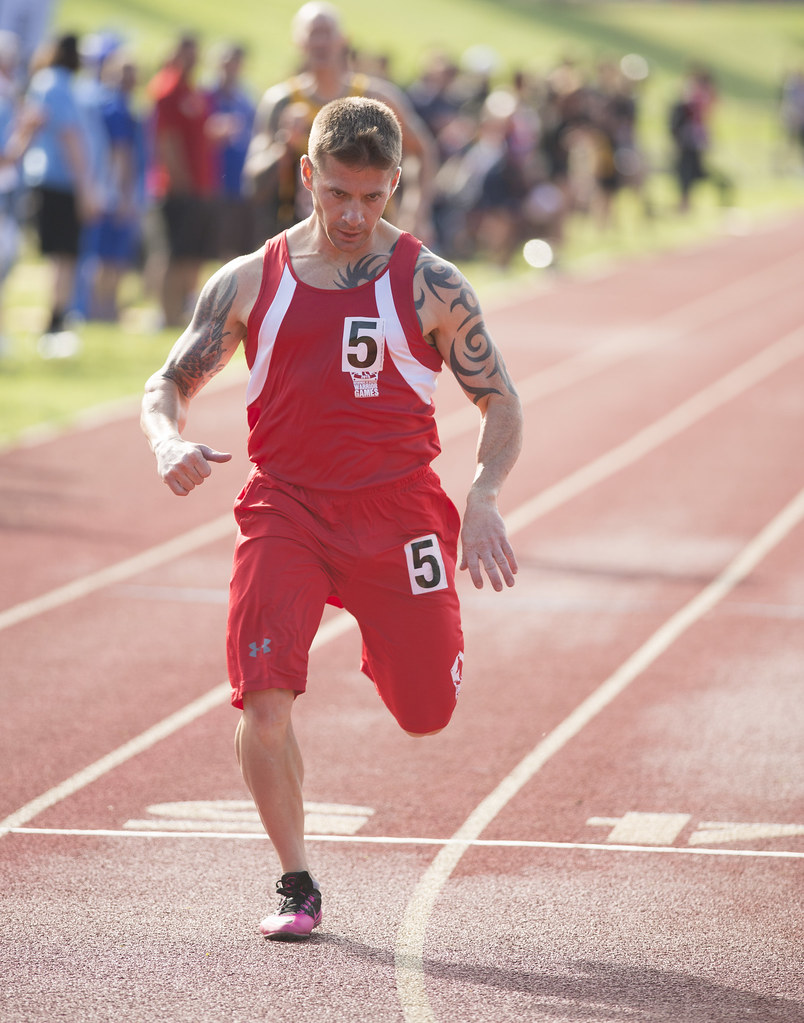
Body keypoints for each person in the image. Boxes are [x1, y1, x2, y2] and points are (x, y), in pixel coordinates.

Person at [141, 97, 522, 941]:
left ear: (396, 185)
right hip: (289, 508)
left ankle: (391, 641)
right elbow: (164, 382)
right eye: (338, 193)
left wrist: (485, 493)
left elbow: (500, 400)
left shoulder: (431, 282)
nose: (354, 216)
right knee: (264, 702)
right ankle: (296, 880)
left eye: (374, 197)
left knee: (426, 711)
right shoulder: (249, 280)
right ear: (308, 175)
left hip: (400, 514)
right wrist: (168, 438)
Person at [243, 2, 437, 244]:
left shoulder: (374, 97)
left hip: (370, 236)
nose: (320, 42)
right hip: (301, 236)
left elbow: (423, 150)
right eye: (313, 33)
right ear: (298, 41)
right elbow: (253, 181)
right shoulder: (281, 101)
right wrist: (284, 145)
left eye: (327, 32)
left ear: (344, 39)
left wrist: (416, 210)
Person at [23, 33, 101, 357]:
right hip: (59, 182)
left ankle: (58, 321)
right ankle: (52, 325)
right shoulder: (54, 83)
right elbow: (69, 136)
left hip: (60, 182)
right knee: (61, 256)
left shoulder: (61, 83)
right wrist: (86, 187)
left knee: (66, 257)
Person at [146, 33, 214, 327]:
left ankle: (181, 313)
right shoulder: (168, 88)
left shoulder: (192, 91)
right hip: (176, 188)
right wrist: (180, 179)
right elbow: (166, 140)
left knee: (190, 252)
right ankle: (165, 313)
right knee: (171, 253)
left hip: (198, 186)